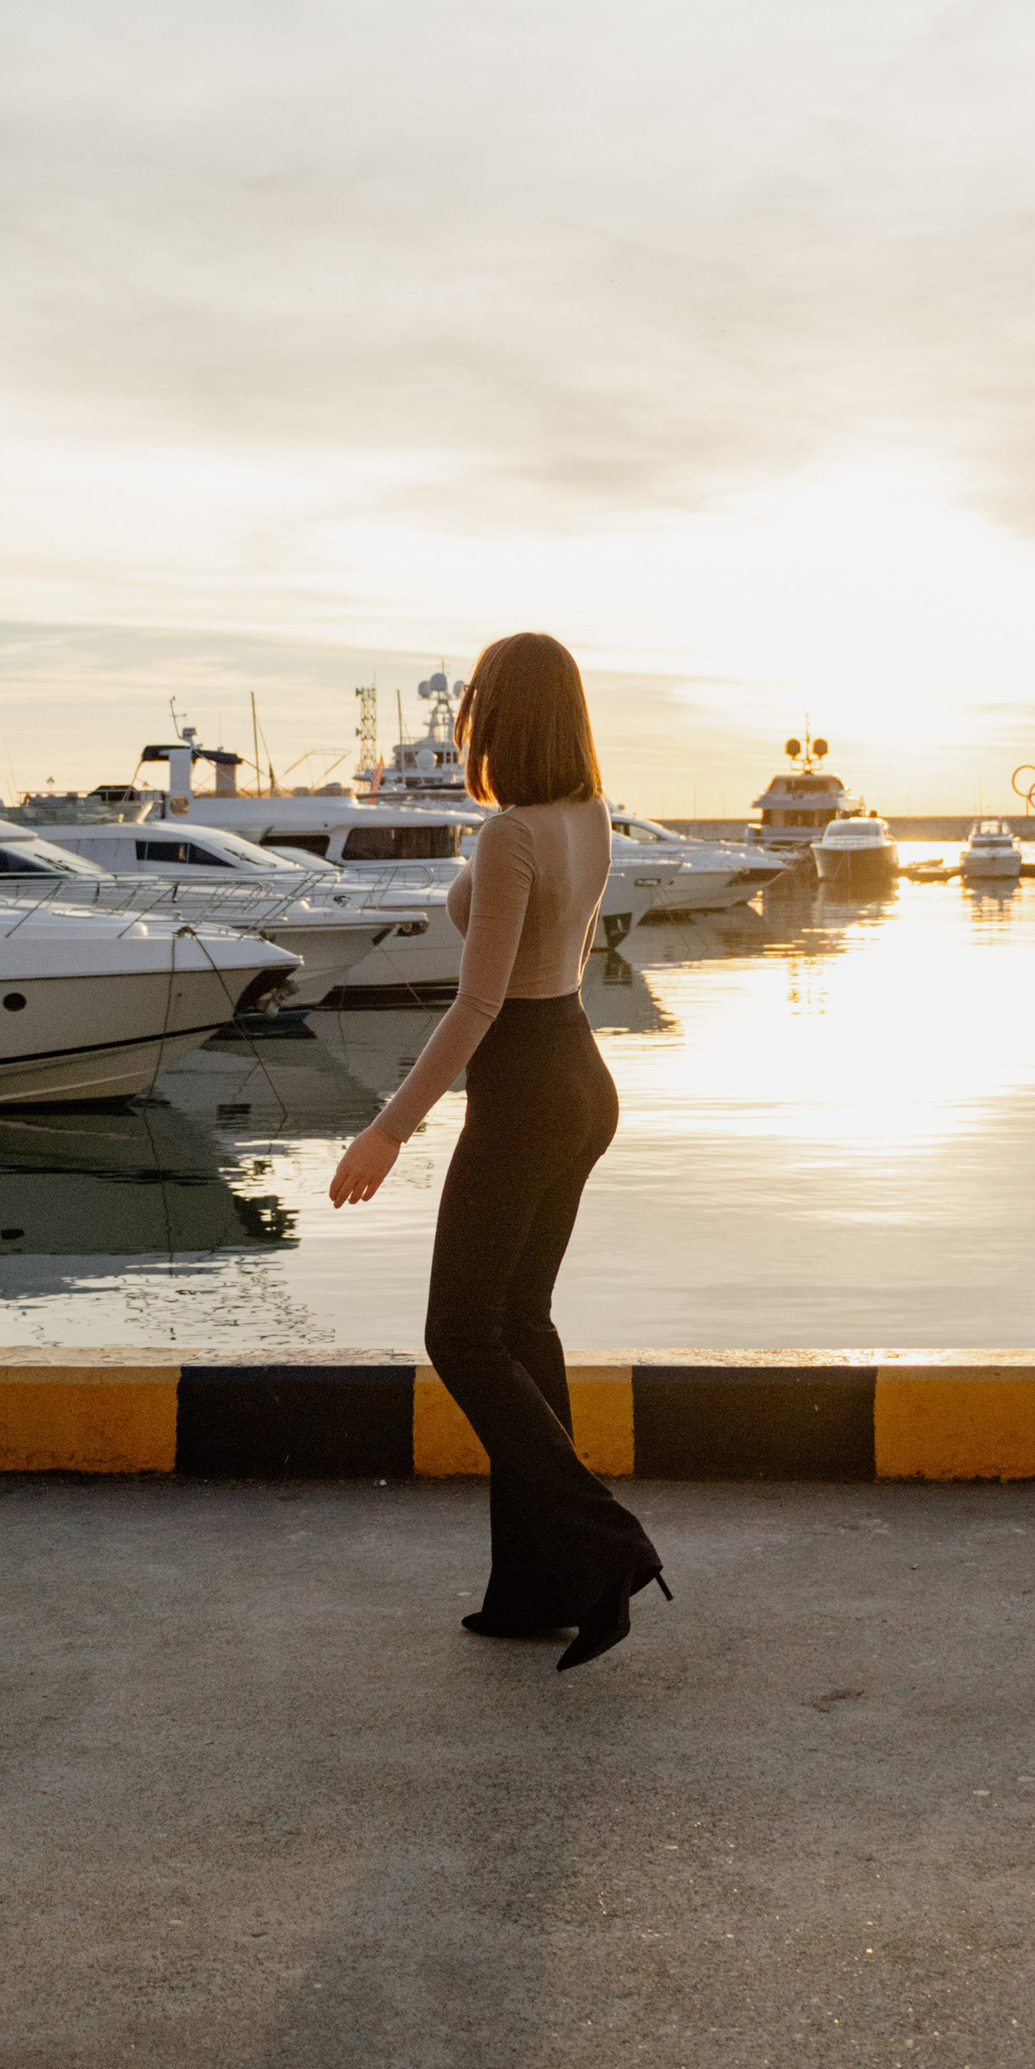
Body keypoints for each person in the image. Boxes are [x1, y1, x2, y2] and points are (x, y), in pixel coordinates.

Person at [328, 632, 668, 1670]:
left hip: (524, 1086)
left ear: (498, 718)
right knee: (521, 1323)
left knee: (462, 1334)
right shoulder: (588, 814)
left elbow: (477, 1004)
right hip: (580, 1075)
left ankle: (604, 1543)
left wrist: (387, 1129)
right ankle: (536, 1584)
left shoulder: (513, 834)